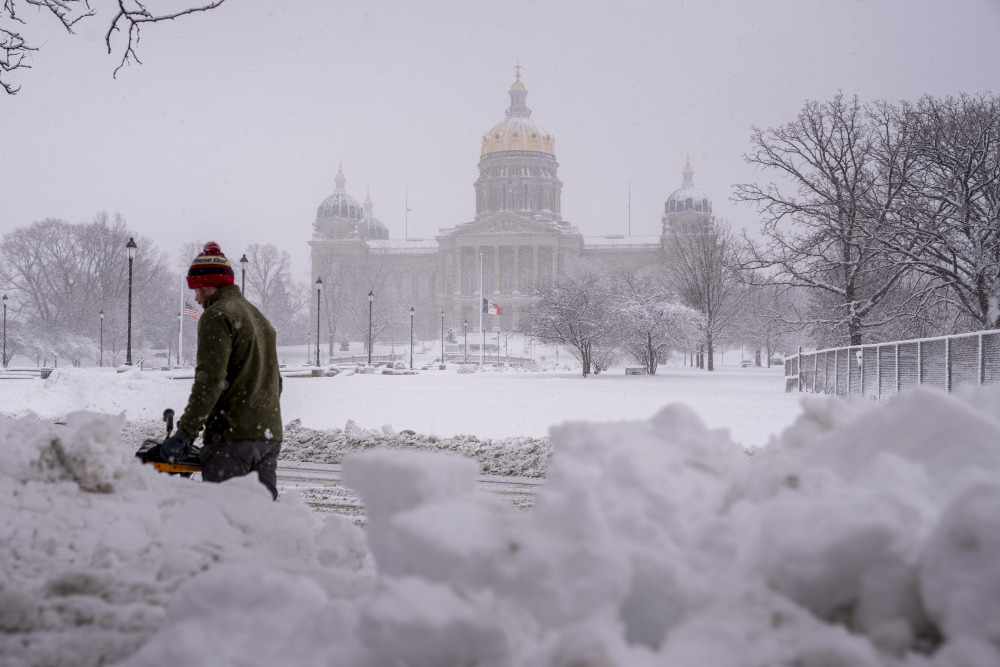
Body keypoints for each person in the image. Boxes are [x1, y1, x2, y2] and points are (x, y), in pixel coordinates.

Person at [161, 242, 283, 499]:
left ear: (206, 285)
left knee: (224, 526)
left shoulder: (217, 315)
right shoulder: (258, 317)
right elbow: (277, 382)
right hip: (268, 438)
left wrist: (186, 432)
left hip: (232, 440)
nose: (195, 298)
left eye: (196, 290)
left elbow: (210, 381)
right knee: (259, 524)